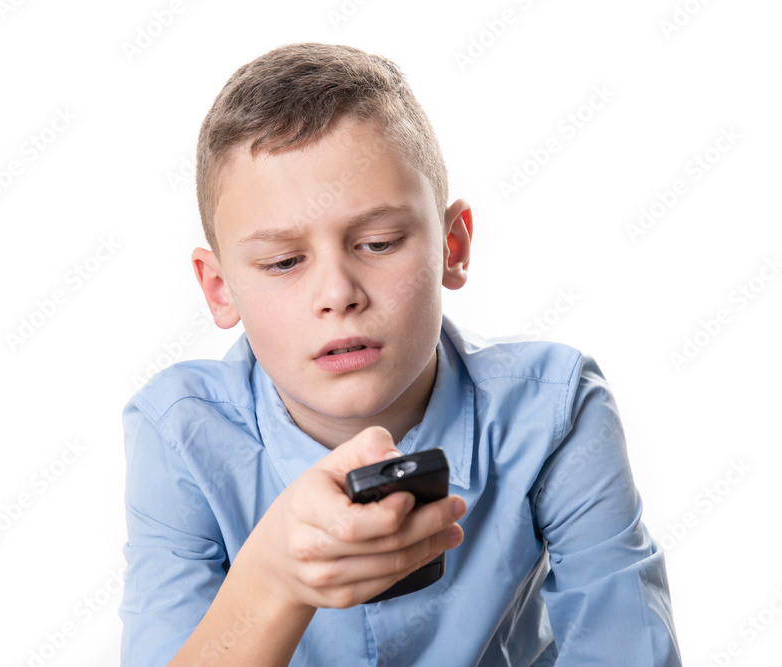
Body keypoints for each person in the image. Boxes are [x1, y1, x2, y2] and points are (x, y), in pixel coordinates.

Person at [119, 42, 681, 666]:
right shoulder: (179, 432)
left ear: (453, 246)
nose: (337, 294)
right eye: (283, 262)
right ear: (220, 290)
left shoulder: (553, 408)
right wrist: (275, 578)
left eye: (379, 243)